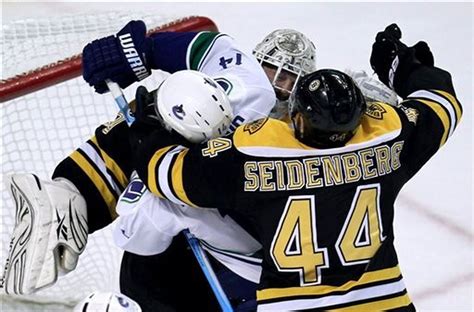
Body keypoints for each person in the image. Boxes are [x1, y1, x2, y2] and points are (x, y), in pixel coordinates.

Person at [127, 23, 462, 310]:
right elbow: (442, 102)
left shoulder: (256, 152)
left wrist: (148, 129)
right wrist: (403, 68)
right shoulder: (385, 138)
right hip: (386, 304)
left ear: (298, 117)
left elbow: (166, 174)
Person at [2, 20, 316, 309]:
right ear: (255, 61)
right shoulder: (247, 85)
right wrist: (142, 51)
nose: (276, 81)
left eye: (287, 77)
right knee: (159, 116)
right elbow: (211, 48)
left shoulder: (304, 134)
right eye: (270, 67)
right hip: (173, 244)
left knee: (159, 195)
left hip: (249, 264)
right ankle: (72, 191)